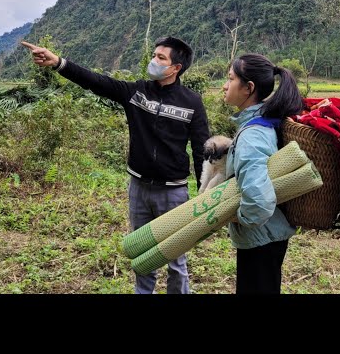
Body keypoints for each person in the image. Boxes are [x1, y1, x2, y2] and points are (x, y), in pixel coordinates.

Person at [21, 37, 210, 294]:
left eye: (161, 58)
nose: (154, 61)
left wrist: (204, 193)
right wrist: (58, 63)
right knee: (142, 253)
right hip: (139, 189)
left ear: (176, 67)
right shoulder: (137, 92)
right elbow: (96, 82)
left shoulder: (192, 102)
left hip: (173, 192)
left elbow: (201, 149)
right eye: (154, 55)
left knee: (176, 260)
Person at [221, 53, 303, 294]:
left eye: (230, 79)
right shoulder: (262, 122)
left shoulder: (252, 136)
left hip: (260, 239)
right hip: (269, 236)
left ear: (249, 88)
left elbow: (258, 201)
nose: (225, 86)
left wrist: (237, 217)